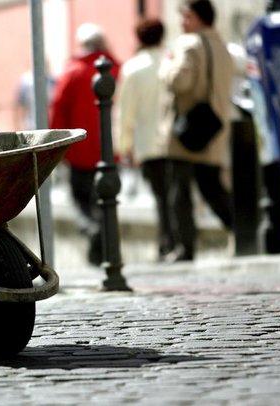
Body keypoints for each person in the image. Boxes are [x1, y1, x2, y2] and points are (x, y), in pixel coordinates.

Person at [158, 0, 234, 262]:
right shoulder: (223, 47)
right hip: (214, 128)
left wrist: (167, 65)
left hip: (187, 130)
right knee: (213, 188)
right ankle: (242, 229)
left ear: (200, 17)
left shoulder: (188, 44)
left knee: (179, 192)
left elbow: (180, 82)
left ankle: (185, 247)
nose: (182, 22)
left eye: (187, 16)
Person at [49, 23, 121, 265]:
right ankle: (105, 249)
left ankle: (92, 232)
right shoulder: (117, 68)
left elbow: (58, 108)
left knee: (81, 202)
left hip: (79, 149)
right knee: (106, 200)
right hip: (110, 148)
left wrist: (56, 143)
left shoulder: (74, 71)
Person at [114, 18, 172, 262]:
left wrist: (124, 146)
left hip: (148, 143)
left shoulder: (133, 69)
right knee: (175, 194)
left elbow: (125, 112)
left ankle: (166, 243)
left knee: (160, 195)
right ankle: (175, 241)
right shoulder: (171, 61)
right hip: (175, 140)